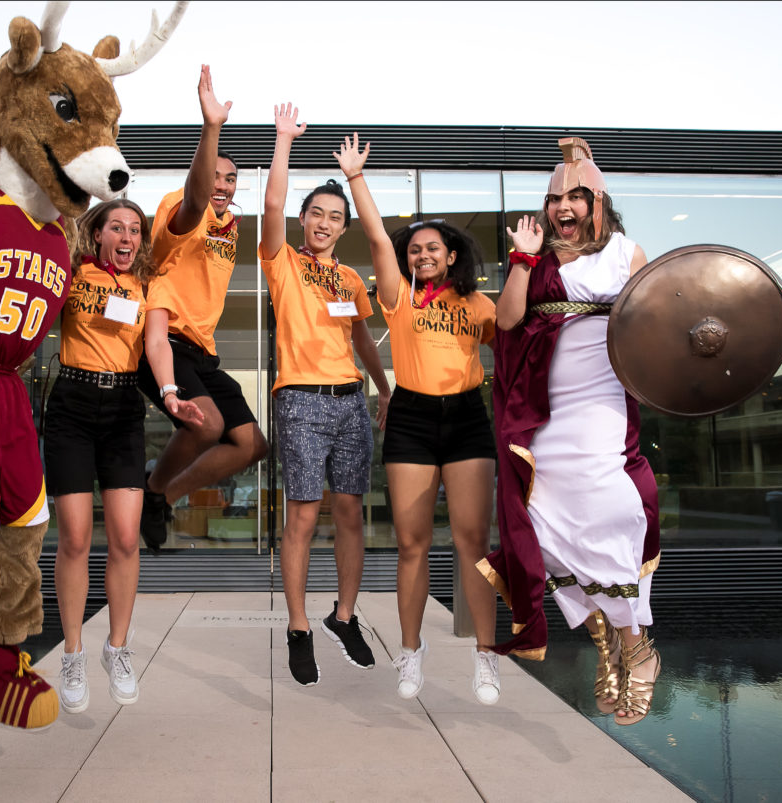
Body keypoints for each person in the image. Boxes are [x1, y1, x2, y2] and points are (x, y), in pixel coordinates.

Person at [479, 137, 662, 725]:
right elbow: (508, 320)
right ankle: (607, 640)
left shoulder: (628, 254)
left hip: (605, 402)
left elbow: (658, 318)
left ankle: (637, 646)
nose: (564, 207)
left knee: (611, 506)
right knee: (547, 524)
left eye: (577, 197)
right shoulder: (538, 257)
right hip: (544, 409)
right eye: (557, 197)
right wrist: (524, 260)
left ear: (598, 204)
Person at [333, 134, 502, 703]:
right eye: (416, 250)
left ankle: (486, 655)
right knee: (412, 544)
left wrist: (526, 260)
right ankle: (410, 653)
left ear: (452, 255)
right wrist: (356, 178)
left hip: (466, 419)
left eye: (433, 249)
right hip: (409, 417)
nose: (422, 255)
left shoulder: (478, 306)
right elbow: (379, 238)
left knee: (473, 540)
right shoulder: (400, 297)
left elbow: (520, 343)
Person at [44, 199, 203, 713]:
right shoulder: (72, 273)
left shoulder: (148, 285)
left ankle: (118, 648)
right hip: (71, 404)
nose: (128, 235)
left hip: (121, 412)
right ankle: (72, 654)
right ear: (98, 233)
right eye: (117, 226)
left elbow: (157, 343)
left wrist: (172, 391)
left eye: (135, 228)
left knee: (127, 538)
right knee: (74, 538)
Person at [261, 104, 392, 686]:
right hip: (301, 402)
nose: (322, 223)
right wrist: (284, 141)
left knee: (350, 516)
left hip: (350, 402)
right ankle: (297, 626)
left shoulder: (349, 279)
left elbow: (363, 337)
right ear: (304, 218)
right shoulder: (282, 261)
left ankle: (342, 617)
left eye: (333, 217)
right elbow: (269, 206)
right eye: (315, 213)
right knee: (303, 519)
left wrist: (384, 387)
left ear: (343, 227)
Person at [138, 66, 268, 548]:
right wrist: (212, 127)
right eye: (215, 175)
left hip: (201, 348)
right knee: (208, 424)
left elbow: (215, 205)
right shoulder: (181, 207)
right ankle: (153, 487)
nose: (223, 185)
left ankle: (162, 496)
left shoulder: (229, 224)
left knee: (252, 445)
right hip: (164, 342)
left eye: (231, 179)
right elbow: (195, 198)